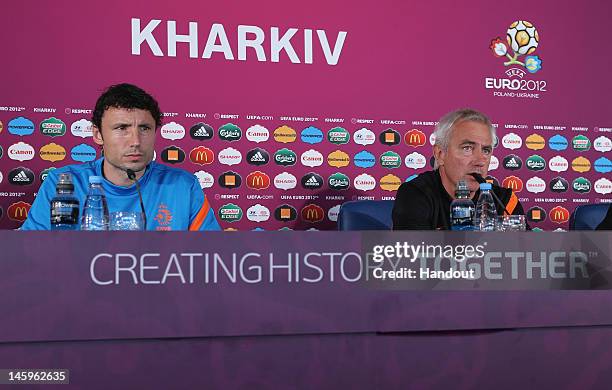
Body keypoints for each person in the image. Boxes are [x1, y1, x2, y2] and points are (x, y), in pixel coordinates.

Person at [21, 83, 221, 231]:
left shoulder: (183, 186)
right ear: (98, 134)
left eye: (144, 128)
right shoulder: (63, 182)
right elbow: (32, 257)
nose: (135, 140)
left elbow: (212, 258)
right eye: (121, 128)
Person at [393, 108, 526, 230]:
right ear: (440, 154)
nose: (480, 161)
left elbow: (529, 251)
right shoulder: (415, 194)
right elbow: (414, 253)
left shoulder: (504, 199)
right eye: (467, 148)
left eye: (486, 150)